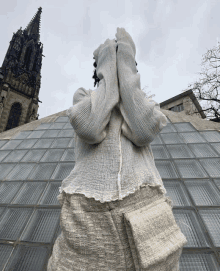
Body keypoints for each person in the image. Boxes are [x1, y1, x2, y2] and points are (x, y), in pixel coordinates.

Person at [47, 27, 187, 271]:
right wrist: (109, 73)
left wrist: (125, 64)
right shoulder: (84, 97)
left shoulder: (142, 103)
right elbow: (90, 127)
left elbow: (143, 131)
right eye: (112, 60)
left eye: (123, 61)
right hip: (89, 219)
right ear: (102, 66)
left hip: (146, 212)